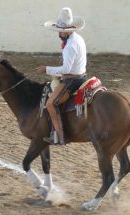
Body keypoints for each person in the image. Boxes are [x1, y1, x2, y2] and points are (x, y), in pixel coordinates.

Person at [36, 7, 87, 145]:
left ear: (68, 31)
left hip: (72, 80)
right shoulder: (77, 38)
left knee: (51, 103)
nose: (59, 34)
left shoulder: (70, 45)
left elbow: (66, 68)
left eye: (61, 32)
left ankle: (60, 135)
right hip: (81, 75)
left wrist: (46, 69)